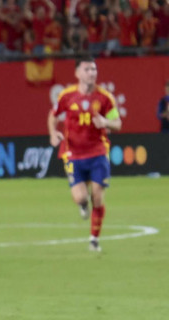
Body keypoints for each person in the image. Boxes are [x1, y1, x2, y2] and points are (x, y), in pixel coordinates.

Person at [48, 55, 122, 252]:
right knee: (81, 197)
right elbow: (53, 116)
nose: (92, 73)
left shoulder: (105, 98)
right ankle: (82, 204)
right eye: (87, 69)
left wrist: (106, 123)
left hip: (98, 151)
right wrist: (52, 133)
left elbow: (118, 123)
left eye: (94, 69)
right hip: (73, 153)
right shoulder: (67, 95)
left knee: (98, 196)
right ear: (77, 73)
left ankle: (94, 239)